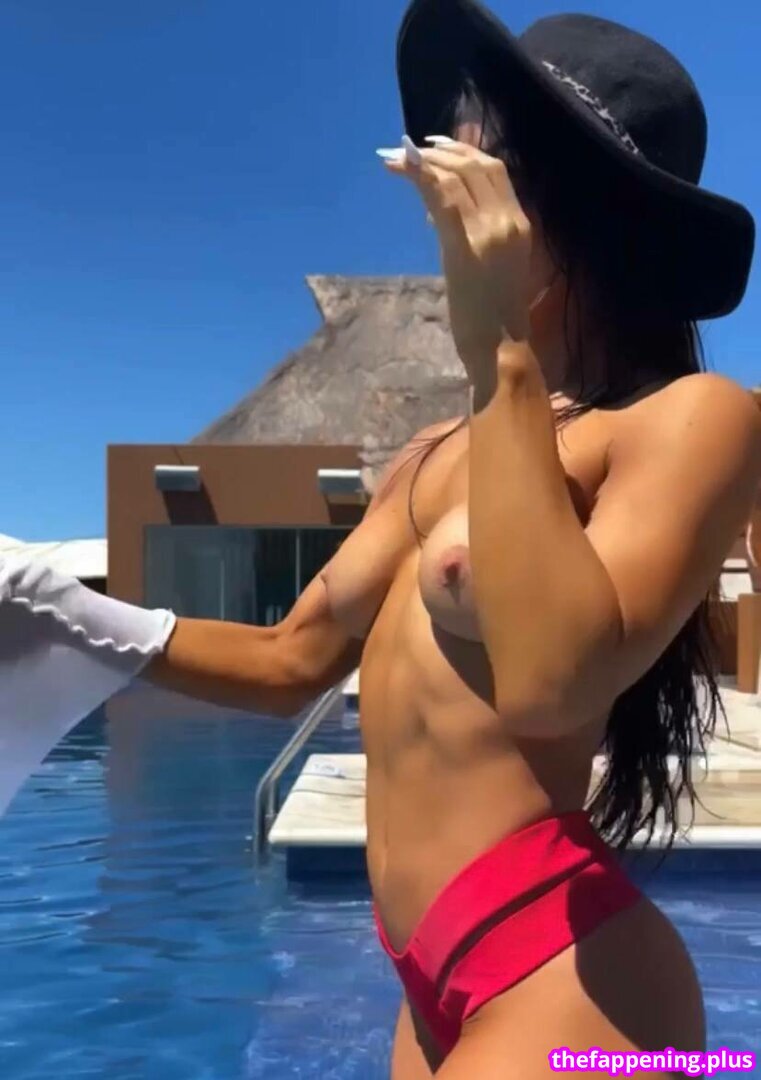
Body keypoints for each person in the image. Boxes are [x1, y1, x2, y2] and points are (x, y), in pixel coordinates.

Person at [1, 1, 760, 1076]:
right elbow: (292, 659)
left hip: (567, 974)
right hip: (424, 967)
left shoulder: (687, 420)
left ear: (580, 206)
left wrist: (498, 347)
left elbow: (552, 681)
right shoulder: (431, 455)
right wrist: (64, 608)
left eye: (481, 162)